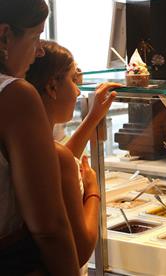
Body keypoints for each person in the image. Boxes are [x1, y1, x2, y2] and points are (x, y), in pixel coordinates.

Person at [0, 0, 80, 274]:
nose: (40, 51)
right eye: (35, 37)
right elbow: (48, 226)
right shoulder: (14, 94)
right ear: (5, 36)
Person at [25, 40, 121, 274]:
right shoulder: (55, 155)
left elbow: (60, 161)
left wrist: (93, 117)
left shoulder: (29, 144)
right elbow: (82, 249)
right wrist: (92, 190)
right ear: (51, 87)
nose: (78, 91)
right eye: (72, 80)